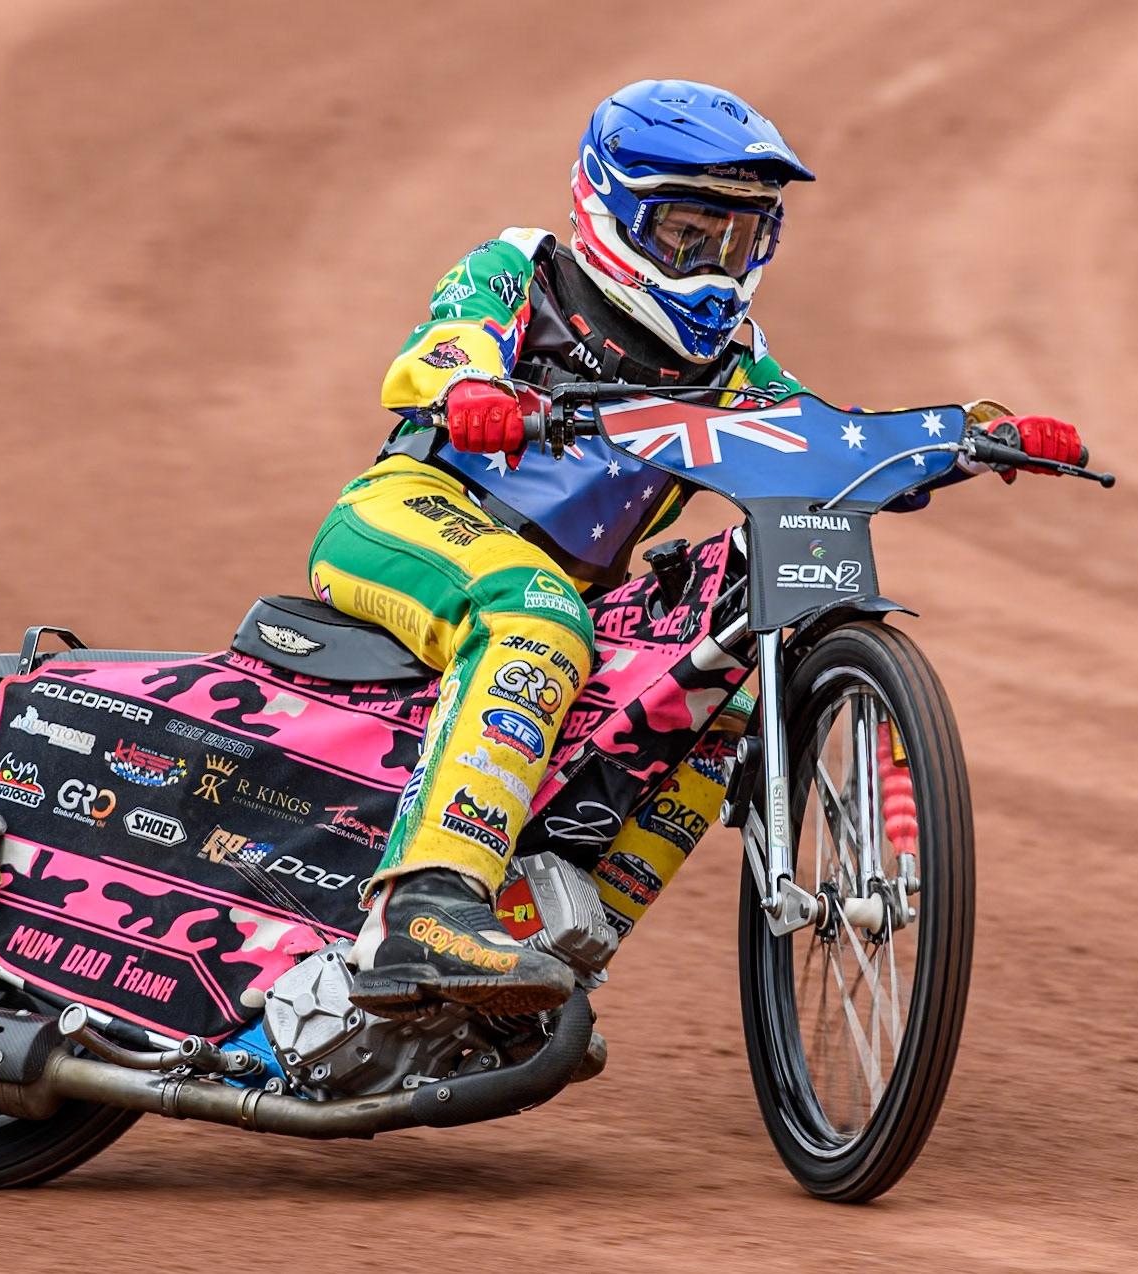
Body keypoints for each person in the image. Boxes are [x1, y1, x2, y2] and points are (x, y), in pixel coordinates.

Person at [308, 79, 1083, 1018]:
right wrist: (474, 387)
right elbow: (439, 351)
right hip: (411, 511)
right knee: (537, 618)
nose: (715, 263)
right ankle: (421, 911)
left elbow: (824, 444)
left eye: (740, 238)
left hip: (569, 583)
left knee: (728, 669)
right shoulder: (525, 269)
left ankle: (558, 932)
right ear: (612, 208)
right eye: (686, 233)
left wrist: (970, 437)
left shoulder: (734, 368)